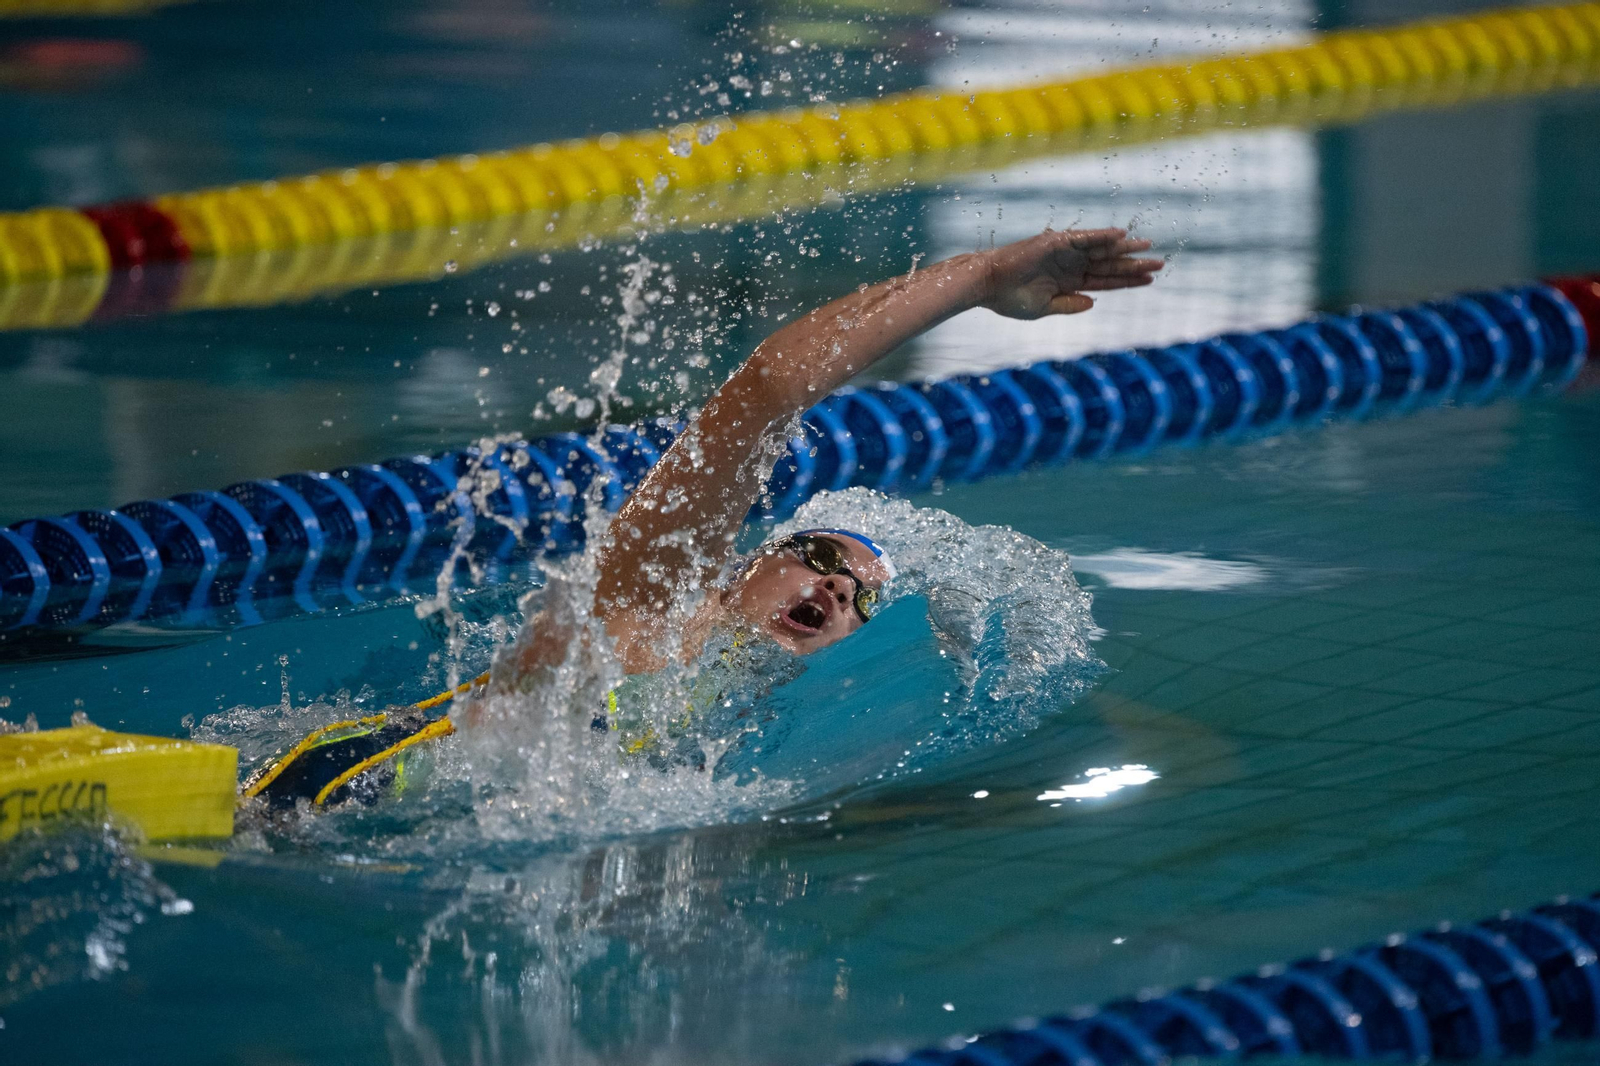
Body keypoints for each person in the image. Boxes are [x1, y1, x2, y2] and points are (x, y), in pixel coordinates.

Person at [244, 228, 1163, 806]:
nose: (838, 589)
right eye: (821, 557)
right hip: (317, 790)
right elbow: (767, 389)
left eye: (858, 597)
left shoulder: (733, 711)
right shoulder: (649, 609)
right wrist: (979, 276)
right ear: (747, 562)